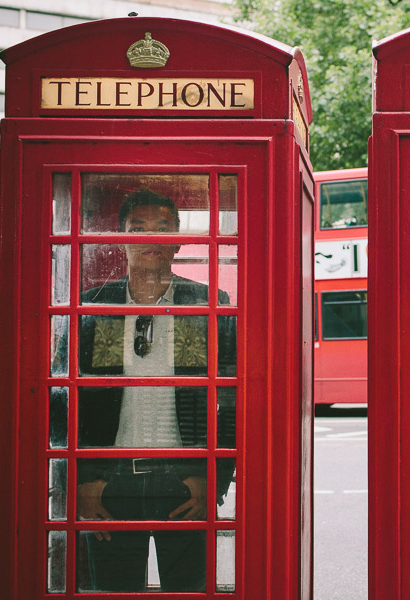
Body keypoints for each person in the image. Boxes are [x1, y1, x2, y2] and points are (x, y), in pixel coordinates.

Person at [75, 188, 235, 592]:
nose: (150, 237)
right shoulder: (94, 306)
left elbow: (232, 400)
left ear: (178, 239)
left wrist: (211, 482)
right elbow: (68, 401)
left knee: (188, 591)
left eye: (162, 228)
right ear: (121, 238)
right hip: (109, 485)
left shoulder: (205, 304)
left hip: (183, 483)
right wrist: (83, 482)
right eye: (138, 228)